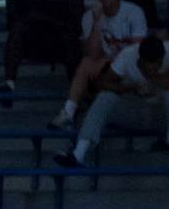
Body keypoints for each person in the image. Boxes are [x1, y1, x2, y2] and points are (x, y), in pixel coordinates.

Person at [49, 0, 148, 130]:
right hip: (106, 66)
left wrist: (111, 58)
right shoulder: (89, 17)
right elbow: (92, 53)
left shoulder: (133, 12)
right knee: (87, 62)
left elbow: (139, 49)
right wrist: (96, 22)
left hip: (132, 65)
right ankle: (68, 111)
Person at [54, 35, 168, 167]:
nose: (158, 66)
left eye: (159, 63)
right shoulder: (128, 55)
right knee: (105, 96)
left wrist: (156, 78)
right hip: (134, 110)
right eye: (153, 65)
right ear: (141, 60)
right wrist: (130, 88)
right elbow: (102, 83)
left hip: (161, 115)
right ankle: (78, 153)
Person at [0, 0, 85, 104]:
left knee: (72, 41)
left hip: (58, 42)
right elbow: (13, 14)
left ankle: (76, 95)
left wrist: (45, 19)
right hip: (30, 41)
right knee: (17, 30)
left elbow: (75, 25)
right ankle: (9, 83)